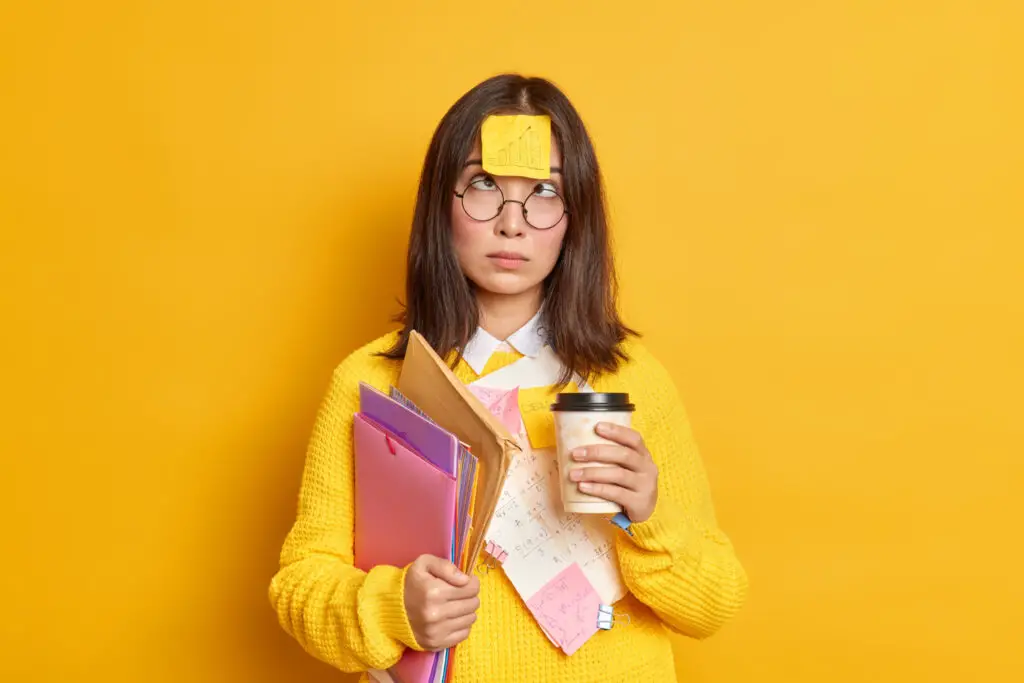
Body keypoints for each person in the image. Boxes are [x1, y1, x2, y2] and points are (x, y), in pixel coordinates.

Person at [269, 73, 748, 683]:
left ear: (576, 218)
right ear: (441, 203)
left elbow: (714, 604)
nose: (512, 223)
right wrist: (394, 608)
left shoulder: (631, 381)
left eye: (545, 191)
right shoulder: (372, 383)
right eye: (484, 185)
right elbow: (300, 586)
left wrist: (648, 512)